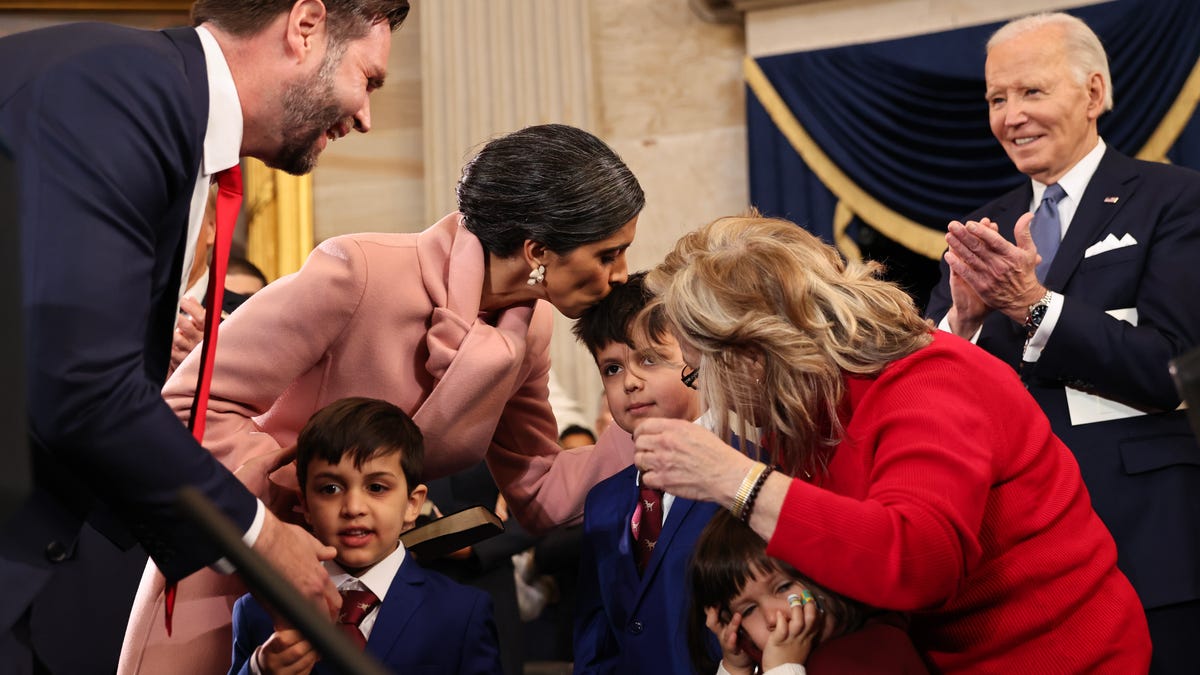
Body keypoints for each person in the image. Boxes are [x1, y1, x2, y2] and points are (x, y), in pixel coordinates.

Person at [122, 122, 645, 673]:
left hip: (372, 594)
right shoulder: (359, 272)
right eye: (609, 253)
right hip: (237, 558)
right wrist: (284, 513)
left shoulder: (529, 331)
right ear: (537, 250)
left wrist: (652, 422)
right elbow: (191, 404)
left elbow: (539, 490)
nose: (621, 274)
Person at [0, 1, 409, 672]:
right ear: (304, 26)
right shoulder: (122, 92)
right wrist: (259, 538)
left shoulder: (157, 104)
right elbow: (80, 384)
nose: (366, 115)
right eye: (369, 79)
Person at [631, 214, 1151, 672]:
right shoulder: (814, 407)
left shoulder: (927, 380)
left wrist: (737, 481)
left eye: (702, 375)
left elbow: (919, 561)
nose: (716, 403)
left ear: (754, 353)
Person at [924, 12, 1200, 673]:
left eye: (1032, 92)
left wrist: (1032, 304)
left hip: (1141, 538)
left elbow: (1170, 367)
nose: (1011, 116)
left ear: (1094, 93)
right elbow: (930, 389)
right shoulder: (982, 231)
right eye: (997, 98)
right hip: (1014, 563)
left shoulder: (1173, 199)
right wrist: (960, 324)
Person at [229, 397, 500, 674]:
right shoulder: (257, 609)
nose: (354, 508)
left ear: (412, 504)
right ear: (306, 504)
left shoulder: (461, 612)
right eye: (330, 489)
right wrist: (259, 669)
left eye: (377, 487)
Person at [570, 272, 721, 674]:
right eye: (613, 368)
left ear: (695, 356)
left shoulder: (745, 471)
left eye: (649, 359)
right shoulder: (604, 501)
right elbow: (597, 631)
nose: (631, 382)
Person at [689, 510, 928, 675]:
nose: (773, 618)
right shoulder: (768, 661)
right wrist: (736, 667)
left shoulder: (875, 654)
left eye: (783, 588)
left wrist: (783, 668)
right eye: (749, 609)